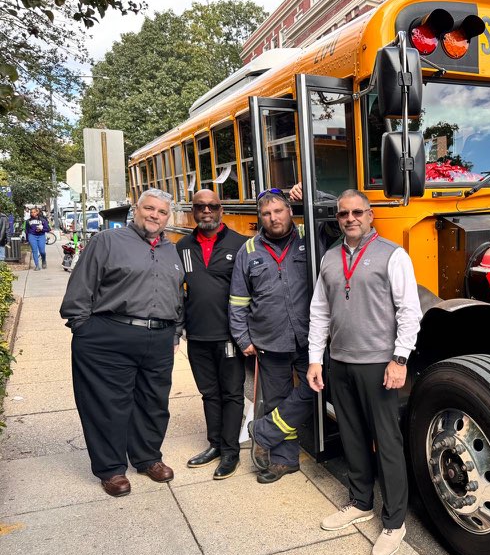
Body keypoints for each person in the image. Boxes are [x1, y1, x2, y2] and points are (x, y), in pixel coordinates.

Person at [307, 189, 422, 555]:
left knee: (386, 441)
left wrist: (400, 360)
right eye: (343, 214)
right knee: (353, 436)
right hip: (339, 362)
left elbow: (409, 311)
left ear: (370, 215)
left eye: (357, 212)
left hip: (379, 365)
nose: (350, 218)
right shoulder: (329, 259)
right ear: (337, 219)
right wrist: (315, 360)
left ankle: (394, 522)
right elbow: (320, 313)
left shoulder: (393, 255)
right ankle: (360, 502)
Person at [60, 189, 184, 498]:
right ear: (136, 209)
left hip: (158, 338)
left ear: (168, 217)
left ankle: (147, 458)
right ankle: (111, 469)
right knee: (107, 405)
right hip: (110, 334)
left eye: (162, 212)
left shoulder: (172, 250)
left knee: (154, 403)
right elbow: (80, 289)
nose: (155, 215)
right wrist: (83, 329)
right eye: (149, 208)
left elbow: (178, 295)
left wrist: (174, 332)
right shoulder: (107, 242)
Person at [229, 188, 314, 484]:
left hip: (309, 338)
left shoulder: (309, 236)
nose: (273, 218)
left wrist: (310, 194)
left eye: (278, 211)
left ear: (290, 211)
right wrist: (243, 339)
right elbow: (238, 299)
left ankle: (264, 430)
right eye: (266, 213)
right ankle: (284, 461)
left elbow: (336, 214)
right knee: (279, 400)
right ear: (260, 218)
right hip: (268, 340)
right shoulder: (248, 251)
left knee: (316, 388)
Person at [177, 189, 247, 480]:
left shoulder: (241, 244)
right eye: (200, 206)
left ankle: (231, 451)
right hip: (197, 335)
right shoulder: (182, 247)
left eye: (213, 206)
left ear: (221, 209)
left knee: (231, 394)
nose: (207, 211)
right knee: (209, 394)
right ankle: (215, 445)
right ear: (194, 210)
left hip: (229, 335)